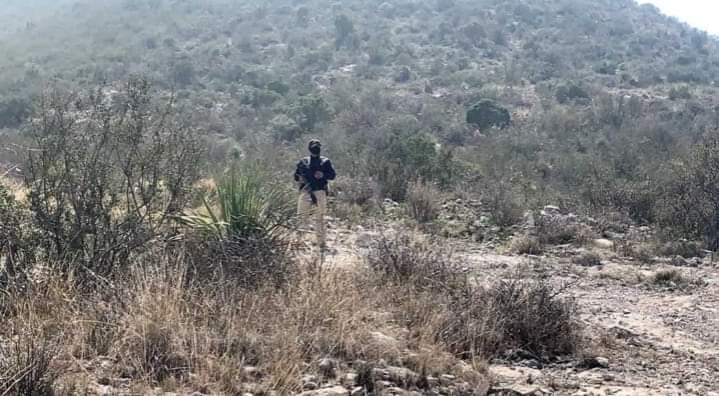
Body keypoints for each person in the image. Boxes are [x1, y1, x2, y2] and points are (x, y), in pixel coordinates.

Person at [294, 139, 336, 248]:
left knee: (320, 218)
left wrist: (322, 175)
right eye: (313, 146)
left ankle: (321, 243)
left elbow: (332, 175)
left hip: (320, 192)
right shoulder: (303, 162)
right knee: (302, 217)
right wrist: (301, 179)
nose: (315, 148)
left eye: (317, 146)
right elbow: (296, 176)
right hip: (306, 191)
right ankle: (299, 242)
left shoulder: (325, 161)